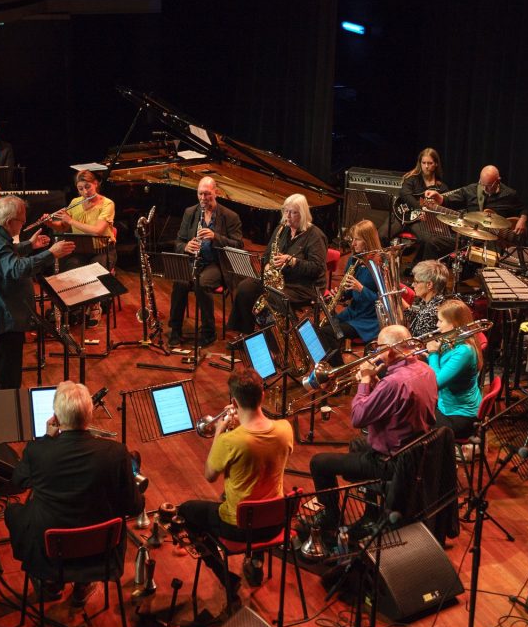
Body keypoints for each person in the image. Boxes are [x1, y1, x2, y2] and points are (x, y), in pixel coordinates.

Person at [5, 381, 144, 605]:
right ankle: (84, 584)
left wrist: (47, 438)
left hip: (50, 554)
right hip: (100, 553)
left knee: (13, 512)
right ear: (89, 416)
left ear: (57, 418)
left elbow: (19, 480)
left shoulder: (39, 450)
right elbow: (134, 507)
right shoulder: (116, 452)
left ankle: (50, 584)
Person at [308, 324, 437, 534]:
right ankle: (371, 514)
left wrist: (365, 381)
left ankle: (330, 518)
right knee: (357, 443)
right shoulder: (426, 369)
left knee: (319, 463)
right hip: (416, 450)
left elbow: (358, 418)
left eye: (380, 348)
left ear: (393, 349)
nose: (376, 353)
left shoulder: (394, 382)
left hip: (391, 461)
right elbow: (396, 405)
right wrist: (376, 387)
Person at [179, 368, 293, 602]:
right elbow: (260, 452)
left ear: (233, 401)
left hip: (238, 527)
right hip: (275, 522)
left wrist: (220, 431)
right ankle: (257, 560)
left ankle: (225, 576)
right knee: (262, 494)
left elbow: (210, 475)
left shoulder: (231, 440)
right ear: (262, 395)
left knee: (186, 511)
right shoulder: (285, 429)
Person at [0, 196, 74, 390]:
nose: (24, 224)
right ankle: (1, 418)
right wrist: (51, 253)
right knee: (6, 377)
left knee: (3, 370)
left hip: (0, 309)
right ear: (10, 222)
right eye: (22, 221)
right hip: (4, 315)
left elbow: (5, 253)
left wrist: (30, 246)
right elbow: (15, 268)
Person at [226, 194, 328, 335]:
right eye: (286, 211)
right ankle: (246, 334)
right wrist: (268, 265)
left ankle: (276, 339)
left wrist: (293, 262)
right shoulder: (281, 229)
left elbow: (317, 268)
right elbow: (268, 254)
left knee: (272, 297)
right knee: (245, 288)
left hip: (303, 285)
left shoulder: (315, 236)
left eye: (293, 212)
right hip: (278, 279)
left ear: (303, 214)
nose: (288, 216)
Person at [168, 177, 244, 348]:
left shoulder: (230, 216)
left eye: (207, 194)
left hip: (217, 263)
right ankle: (175, 329)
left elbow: (238, 245)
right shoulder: (190, 212)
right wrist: (186, 246)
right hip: (193, 260)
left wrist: (215, 237)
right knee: (179, 281)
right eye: (200, 194)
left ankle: (209, 331)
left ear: (216, 193)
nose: (203, 198)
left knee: (201, 284)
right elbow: (178, 241)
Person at [418, 165, 528, 261]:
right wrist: (439, 197)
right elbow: (448, 201)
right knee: (432, 242)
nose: (485, 188)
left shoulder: (509, 194)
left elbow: (524, 209)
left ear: (498, 180)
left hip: (494, 241)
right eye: (482, 184)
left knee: (489, 258)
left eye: (489, 185)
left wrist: (522, 220)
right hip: (469, 236)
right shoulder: (471, 190)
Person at [318, 220, 382, 366]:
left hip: (369, 319)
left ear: (368, 240)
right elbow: (349, 293)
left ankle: (339, 370)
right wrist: (340, 293)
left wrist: (362, 289)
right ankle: (328, 364)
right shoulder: (354, 259)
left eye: (357, 239)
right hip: (354, 312)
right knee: (322, 328)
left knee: (327, 333)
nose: (353, 244)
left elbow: (385, 300)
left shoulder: (379, 264)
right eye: (352, 239)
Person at [425, 299, 483, 438]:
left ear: (453, 324)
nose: (437, 325)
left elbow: (436, 383)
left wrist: (433, 354)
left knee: (413, 417)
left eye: (440, 321)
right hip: (447, 406)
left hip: (459, 416)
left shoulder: (464, 351)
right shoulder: (453, 340)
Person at [44, 170, 117, 272]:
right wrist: (50, 223)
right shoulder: (75, 202)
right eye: (80, 189)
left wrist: (71, 221)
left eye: (88, 187)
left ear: (95, 184)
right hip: (80, 251)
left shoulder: (107, 204)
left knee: (95, 273)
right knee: (72, 269)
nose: (85, 192)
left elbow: (97, 231)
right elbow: (63, 226)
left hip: (102, 251)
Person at [378, 147, 447, 244]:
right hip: (401, 214)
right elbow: (404, 193)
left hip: (420, 221)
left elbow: (442, 209)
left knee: (428, 241)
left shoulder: (441, 188)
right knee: (382, 235)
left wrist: (430, 214)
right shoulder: (412, 178)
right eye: (423, 163)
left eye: (430, 163)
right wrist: (420, 208)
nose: (426, 166)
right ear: (420, 163)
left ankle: (417, 260)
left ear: (436, 164)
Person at [403, 260, 450, 337]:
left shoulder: (431, 313)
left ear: (429, 284)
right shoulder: (436, 301)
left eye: (416, 282)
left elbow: (419, 344)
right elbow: (417, 318)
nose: (413, 284)